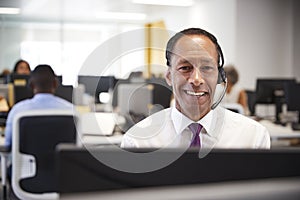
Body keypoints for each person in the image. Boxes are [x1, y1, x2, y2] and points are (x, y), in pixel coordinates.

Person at [121, 28, 270, 149]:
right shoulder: (138, 141)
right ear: (168, 76)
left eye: (206, 68)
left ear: (219, 77)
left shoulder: (253, 137)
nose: (197, 80)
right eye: (185, 68)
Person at [4, 64, 73, 148]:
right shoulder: (71, 111)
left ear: (31, 85)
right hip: (60, 161)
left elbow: (8, 144)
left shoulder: (18, 111)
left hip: (26, 161)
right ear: (55, 84)